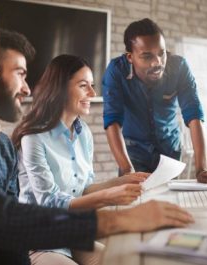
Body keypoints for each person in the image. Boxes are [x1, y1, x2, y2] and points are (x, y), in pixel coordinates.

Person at [0, 1, 194, 264]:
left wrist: (119, 188)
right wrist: (118, 219)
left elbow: (9, 238)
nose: (27, 88)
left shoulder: (3, 147)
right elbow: (1, 218)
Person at [12, 54, 148, 264]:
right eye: (84, 85)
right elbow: (50, 202)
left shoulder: (83, 133)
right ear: (60, 88)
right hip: (39, 239)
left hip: (70, 233)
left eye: (92, 85)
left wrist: (124, 181)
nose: (92, 93)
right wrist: (109, 196)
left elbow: (83, 189)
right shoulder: (33, 139)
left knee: (121, 260)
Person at [102, 18, 207, 183]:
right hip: (134, 152)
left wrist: (201, 168)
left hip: (170, 152)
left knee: (168, 201)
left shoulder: (179, 68)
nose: (157, 62)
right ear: (130, 57)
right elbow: (112, 121)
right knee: (135, 202)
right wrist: (128, 171)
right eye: (147, 56)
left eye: (161, 53)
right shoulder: (116, 71)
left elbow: (194, 116)